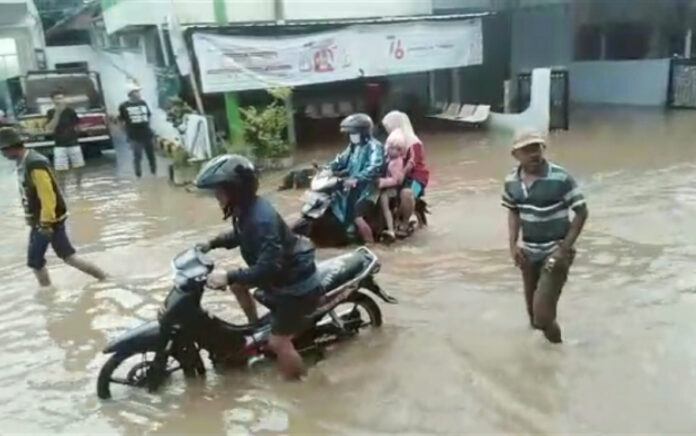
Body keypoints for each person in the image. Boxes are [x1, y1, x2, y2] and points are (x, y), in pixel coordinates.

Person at [195, 154, 322, 379]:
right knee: (236, 284)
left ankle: (299, 387)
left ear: (235, 190)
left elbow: (269, 267)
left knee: (278, 342)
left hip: (295, 284)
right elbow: (240, 235)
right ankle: (256, 328)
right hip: (282, 275)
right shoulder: (245, 209)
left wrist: (228, 275)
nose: (217, 196)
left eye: (220, 191)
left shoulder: (260, 219)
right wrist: (212, 243)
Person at [501, 129, 588, 344]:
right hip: (528, 252)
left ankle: (560, 348)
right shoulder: (511, 181)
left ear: (543, 149)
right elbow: (513, 211)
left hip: (555, 251)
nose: (534, 154)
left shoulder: (560, 177)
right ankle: (542, 361)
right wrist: (513, 246)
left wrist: (563, 250)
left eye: (537, 148)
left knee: (542, 316)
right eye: (527, 150)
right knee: (533, 318)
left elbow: (581, 211)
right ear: (516, 155)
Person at [0, 127, 107, 287]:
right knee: (68, 257)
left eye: (3, 150)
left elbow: (47, 196)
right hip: (46, 220)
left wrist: (45, 223)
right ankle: (104, 278)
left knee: (35, 261)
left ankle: (47, 295)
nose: (3, 154)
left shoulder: (34, 164)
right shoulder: (25, 162)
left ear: (12, 147)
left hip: (46, 221)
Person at [328, 113, 384, 244]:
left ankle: (371, 245)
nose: (351, 136)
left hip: (369, 187)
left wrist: (358, 178)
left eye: (353, 133)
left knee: (357, 216)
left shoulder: (374, 146)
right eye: (349, 134)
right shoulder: (353, 146)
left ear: (363, 132)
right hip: (351, 184)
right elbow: (340, 160)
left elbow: (374, 166)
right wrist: (327, 168)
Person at [382, 110, 430, 234]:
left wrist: (402, 173)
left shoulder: (414, 142)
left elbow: (413, 161)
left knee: (406, 194)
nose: (388, 129)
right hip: (395, 174)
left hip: (415, 176)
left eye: (389, 126)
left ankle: (404, 223)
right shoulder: (391, 142)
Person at [118, 84, 156, 178]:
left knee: (151, 155)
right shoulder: (124, 106)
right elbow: (121, 121)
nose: (139, 94)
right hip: (134, 135)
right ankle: (138, 175)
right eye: (136, 92)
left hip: (146, 133)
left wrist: (150, 129)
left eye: (138, 92)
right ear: (131, 94)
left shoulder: (143, 103)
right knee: (137, 156)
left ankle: (154, 173)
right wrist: (126, 133)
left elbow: (148, 116)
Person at [46, 90, 85, 176]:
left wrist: (78, 131)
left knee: (79, 167)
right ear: (53, 100)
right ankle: (63, 188)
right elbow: (50, 127)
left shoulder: (70, 111)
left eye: (62, 98)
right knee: (60, 169)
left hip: (73, 143)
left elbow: (78, 125)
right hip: (59, 145)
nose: (60, 100)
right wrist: (57, 114)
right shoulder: (50, 112)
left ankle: (79, 186)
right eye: (57, 98)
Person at [377, 129, 407, 242]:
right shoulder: (388, 158)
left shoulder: (397, 162)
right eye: (391, 148)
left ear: (402, 151)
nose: (394, 151)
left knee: (385, 207)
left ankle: (390, 229)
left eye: (397, 149)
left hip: (390, 189)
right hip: (385, 186)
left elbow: (396, 180)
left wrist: (382, 182)